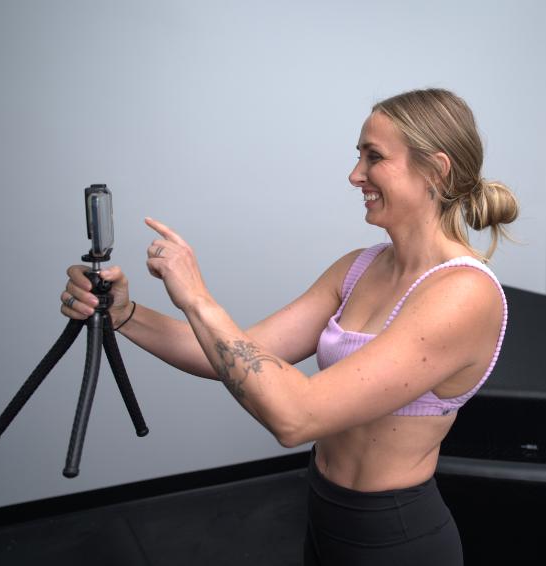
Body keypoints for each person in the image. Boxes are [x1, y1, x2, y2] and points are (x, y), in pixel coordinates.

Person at [60, 88, 519, 565]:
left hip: (393, 534)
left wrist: (196, 296)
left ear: (436, 169)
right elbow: (236, 357)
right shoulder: (359, 268)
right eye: (358, 156)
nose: (355, 174)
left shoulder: (463, 294)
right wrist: (126, 315)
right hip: (324, 512)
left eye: (374, 157)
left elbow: (296, 418)